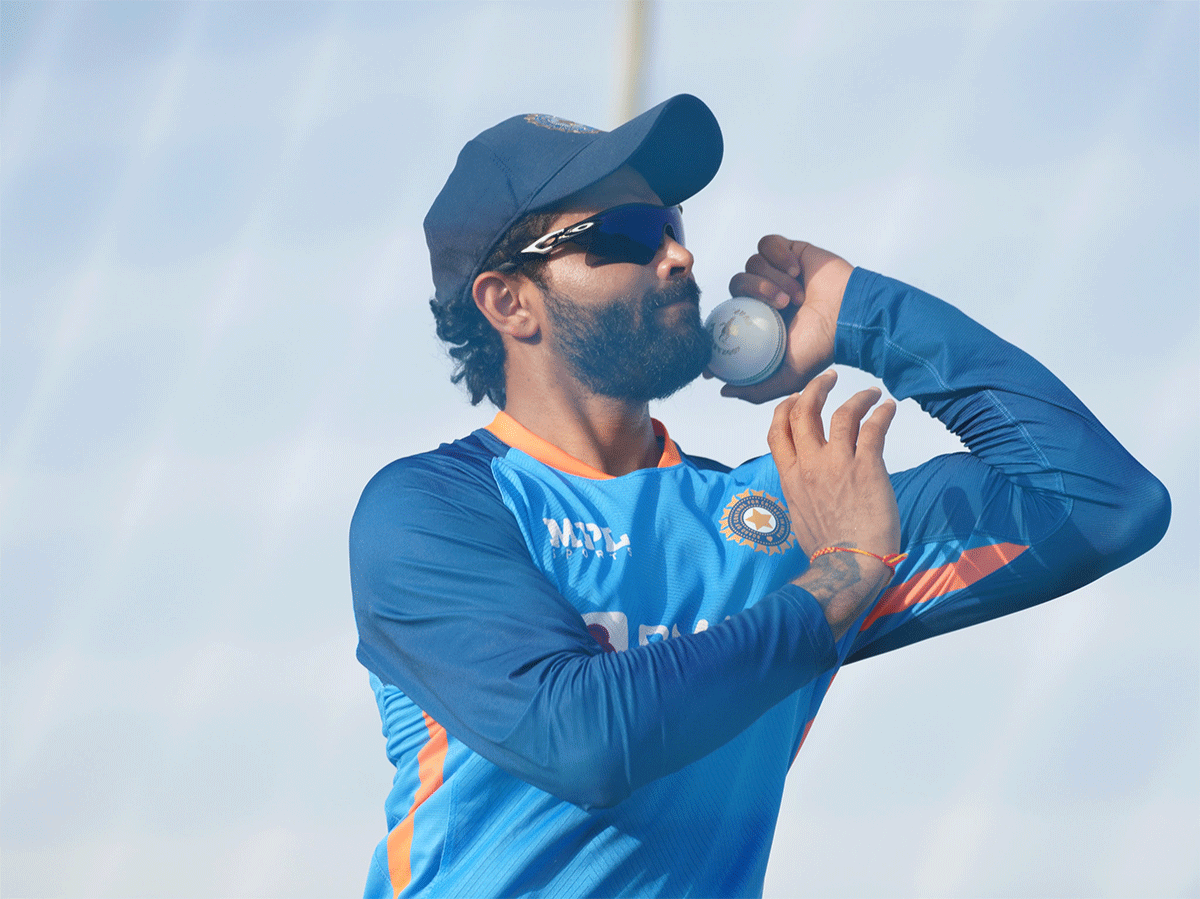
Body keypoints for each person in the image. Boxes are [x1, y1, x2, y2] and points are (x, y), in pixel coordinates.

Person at [350, 95, 1169, 898]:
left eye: (674, 229)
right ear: (509, 301)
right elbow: (585, 740)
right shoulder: (429, 510)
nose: (678, 258)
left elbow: (1102, 504)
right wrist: (838, 583)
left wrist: (866, 317)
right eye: (629, 235)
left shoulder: (787, 516)